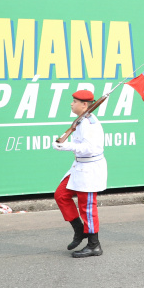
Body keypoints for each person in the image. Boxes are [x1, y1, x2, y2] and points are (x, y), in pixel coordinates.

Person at [52, 89, 107, 257]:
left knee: (87, 208)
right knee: (61, 195)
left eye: (75, 101)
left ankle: (94, 245)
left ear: (84, 105)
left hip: (89, 169)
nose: (71, 104)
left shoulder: (90, 123)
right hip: (79, 166)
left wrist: (66, 146)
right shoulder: (81, 120)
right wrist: (62, 142)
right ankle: (79, 229)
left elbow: (90, 148)